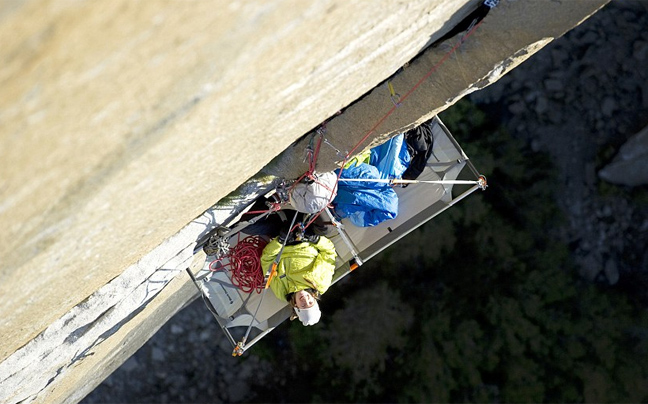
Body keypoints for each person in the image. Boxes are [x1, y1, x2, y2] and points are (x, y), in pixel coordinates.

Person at [260, 221, 337, 326]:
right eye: (310, 303)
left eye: (303, 305)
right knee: (326, 227)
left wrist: (279, 242)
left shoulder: (281, 291)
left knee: (250, 226)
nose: (305, 300)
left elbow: (266, 261)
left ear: (296, 306)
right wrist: (316, 239)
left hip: (282, 240)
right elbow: (329, 253)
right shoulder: (321, 283)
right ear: (315, 300)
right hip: (307, 237)